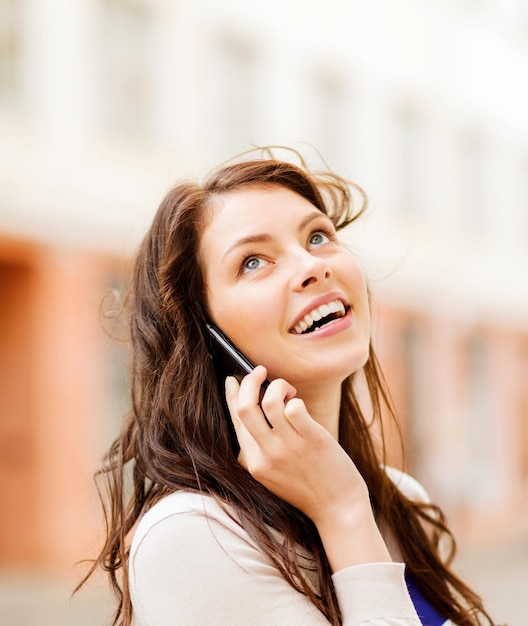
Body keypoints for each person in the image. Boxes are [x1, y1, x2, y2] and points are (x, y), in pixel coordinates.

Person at [80, 148, 496, 625]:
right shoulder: (192, 537)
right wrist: (342, 512)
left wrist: (351, 506)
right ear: (206, 336)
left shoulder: (403, 502)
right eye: (253, 262)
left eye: (317, 236)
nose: (312, 266)